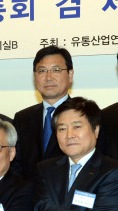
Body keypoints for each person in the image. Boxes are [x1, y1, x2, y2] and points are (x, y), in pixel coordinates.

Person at [13, 46, 74, 179]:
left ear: (70, 75)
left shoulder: (83, 116)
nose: (48, 77)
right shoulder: (22, 118)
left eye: (56, 70)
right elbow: (15, 165)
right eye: (42, 71)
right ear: (35, 76)